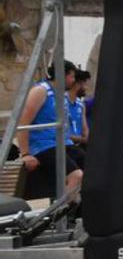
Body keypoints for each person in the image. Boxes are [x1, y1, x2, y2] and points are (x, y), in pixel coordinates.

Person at [14, 61, 84, 196]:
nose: (74, 80)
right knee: (76, 176)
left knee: (94, 169)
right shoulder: (41, 91)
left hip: (63, 143)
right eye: (72, 76)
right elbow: (23, 122)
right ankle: (64, 208)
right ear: (63, 75)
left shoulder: (62, 95)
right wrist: (26, 154)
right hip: (43, 146)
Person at [66, 70, 90, 169]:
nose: (86, 88)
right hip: (66, 145)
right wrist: (83, 139)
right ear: (78, 84)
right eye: (86, 84)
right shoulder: (61, 101)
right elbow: (62, 135)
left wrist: (85, 138)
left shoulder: (81, 105)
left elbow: (85, 130)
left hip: (79, 145)